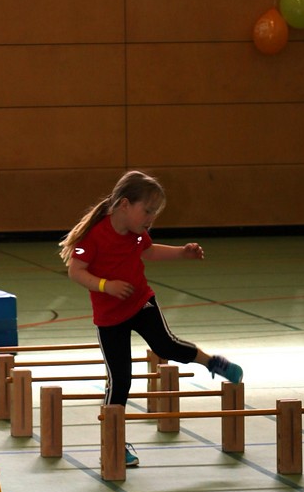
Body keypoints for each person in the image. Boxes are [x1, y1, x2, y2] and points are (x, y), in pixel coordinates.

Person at [59, 170, 243, 468]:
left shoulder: (136, 233)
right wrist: (106, 285)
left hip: (141, 302)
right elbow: (76, 271)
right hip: (109, 317)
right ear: (124, 205)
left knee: (166, 345)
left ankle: (212, 362)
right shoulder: (93, 235)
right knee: (120, 380)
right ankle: (114, 442)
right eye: (147, 211)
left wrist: (182, 254)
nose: (151, 219)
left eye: (154, 213)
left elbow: (150, 251)